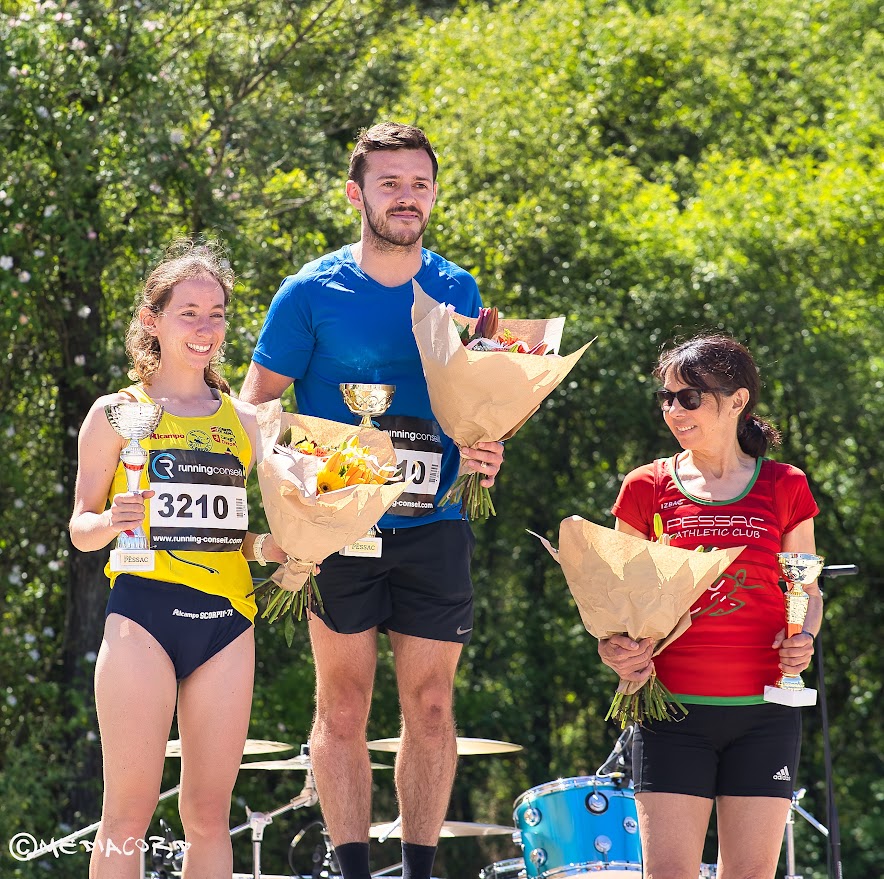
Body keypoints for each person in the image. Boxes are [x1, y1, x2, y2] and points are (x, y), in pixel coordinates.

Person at [239, 122, 504, 879]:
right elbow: (260, 406)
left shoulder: (458, 289)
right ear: (357, 193)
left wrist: (488, 448)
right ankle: (353, 870)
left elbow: (479, 403)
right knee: (345, 705)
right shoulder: (308, 292)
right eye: (390, 184)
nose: (407, 197)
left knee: (429, 708)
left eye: (419, 183)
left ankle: (419, 870)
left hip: (437, 524)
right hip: (337, 529)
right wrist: (290, 492)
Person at [69, 241, 285, 879]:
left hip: (228, 622)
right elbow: (81, 529)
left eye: (216, 313)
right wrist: (112, 520)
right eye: (188, 312)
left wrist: (279, 551)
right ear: (152, 320)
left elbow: (239, 535)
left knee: (209, 818)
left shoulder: (246, 422)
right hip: (143, 616)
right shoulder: (115, 415)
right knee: (127, 815)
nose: (205, 328)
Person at [599, 334, 821, 879]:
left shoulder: (785, 484)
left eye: (690, 398)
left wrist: (805, 638)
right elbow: (614, 604)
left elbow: (807, 592)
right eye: (668, 398)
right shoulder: (645, 486)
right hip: (669, 711)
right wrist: (614, 648)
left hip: (766, 714)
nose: (674, 410)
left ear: (738, 400)